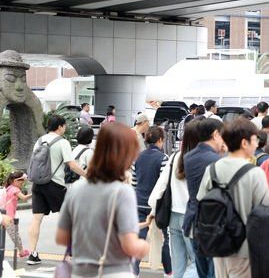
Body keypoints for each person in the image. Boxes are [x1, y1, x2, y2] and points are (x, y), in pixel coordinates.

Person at [56, 122, 149, 278]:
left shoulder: (76, 188)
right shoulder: (122, 191)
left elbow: (62, 237)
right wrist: (144, 246)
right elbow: (130, 245)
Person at [197, 118, 269, 278]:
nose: (257, 144)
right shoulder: (255, 173)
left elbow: (201, 199)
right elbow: (265, 210)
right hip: (243, 248)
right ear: (244, 143)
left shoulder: (212, 169)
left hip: (218, 243)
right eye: (254, 140)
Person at [28, 115, 86, 265]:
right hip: (55, 184)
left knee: (36, 219)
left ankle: (32, 254)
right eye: (64, 126)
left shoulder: (39, 141)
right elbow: (71, 164)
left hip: (38, 184)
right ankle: (71, 254)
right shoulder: (63, 142)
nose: (65, 128)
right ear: (59, 126)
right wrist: (88, 174)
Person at [148, 120, 202, 278]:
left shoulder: (175, 157)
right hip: (191, 217)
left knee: (178, 264)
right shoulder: (201, 159)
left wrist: (153, 210)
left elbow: (160, 187)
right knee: (195, 263)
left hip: (172, 216)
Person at [183, 118, 225, 278]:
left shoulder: (189, 157)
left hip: (193, 222)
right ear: (215, 134)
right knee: (213, 273)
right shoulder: (216, 161)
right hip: (212, 225)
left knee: (202, 271)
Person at [131, 126, 172, 277]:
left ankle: (134, 272)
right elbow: (164, 185)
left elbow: (134, 183)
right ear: (160, 140)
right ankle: (169, 272)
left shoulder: (138, 157)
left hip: (139, 203)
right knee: (162, 240)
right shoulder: (163, 158)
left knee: (139, 239)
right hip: (156, 206)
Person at [4, 171, 32, 258]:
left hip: (4, 215)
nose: (22, 184)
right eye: (21, 182)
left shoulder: (8, 188)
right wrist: (34, 192)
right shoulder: (15, 189)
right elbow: (24, 198)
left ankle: (21, 251)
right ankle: (22, 252)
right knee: (15, 235)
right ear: (15, 181)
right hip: (9, 217)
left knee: (13, 234)